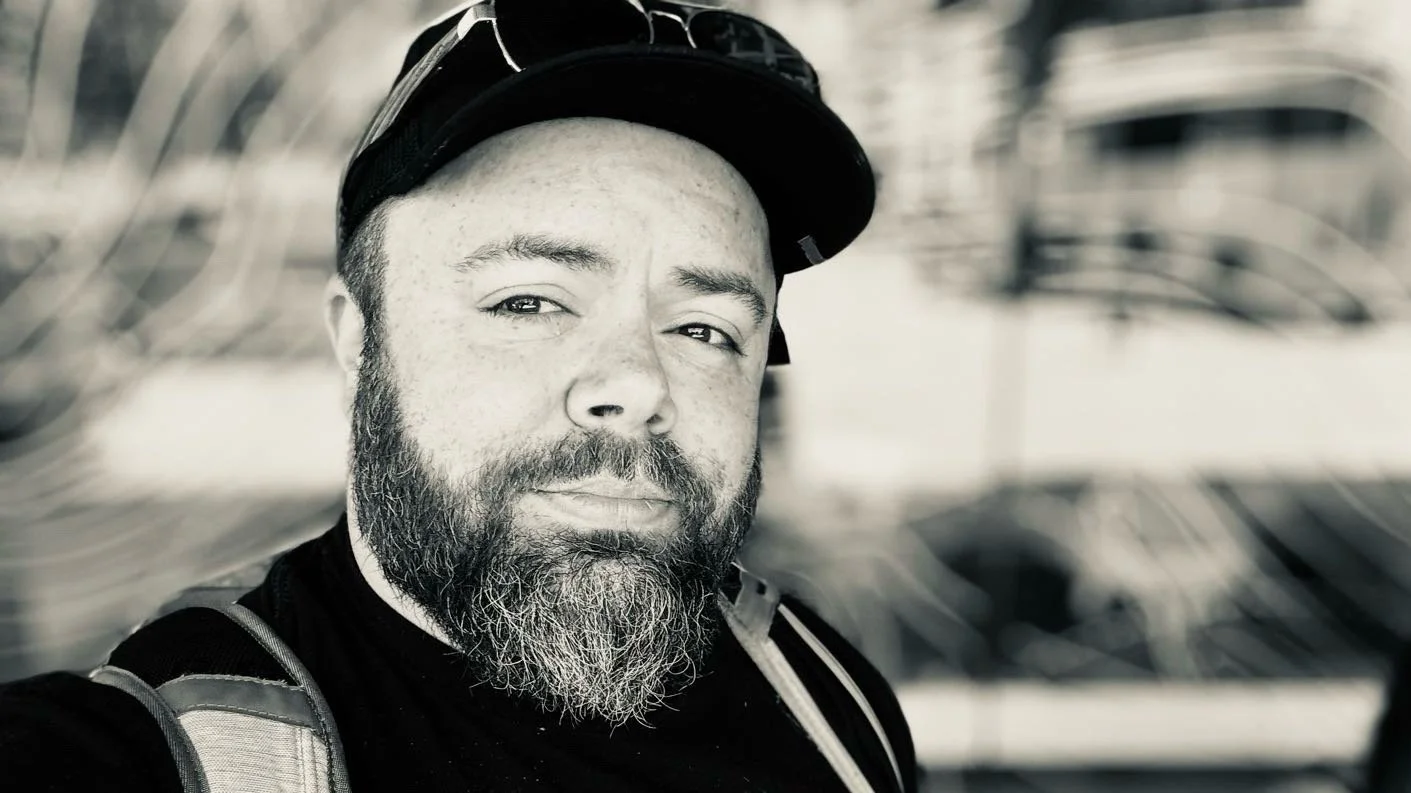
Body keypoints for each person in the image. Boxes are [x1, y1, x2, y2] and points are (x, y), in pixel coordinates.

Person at [0, 1, 918, 791]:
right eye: (528, 302)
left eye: (705, 328)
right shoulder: (149, 749)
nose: (637, 384)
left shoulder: (828, 702)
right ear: (358, 341)